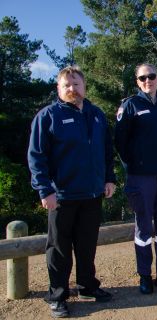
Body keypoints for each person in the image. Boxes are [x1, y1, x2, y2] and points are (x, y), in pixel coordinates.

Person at [27, 66, 116, 318]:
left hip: (92, 194)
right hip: (61, 197)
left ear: (84, 86)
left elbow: (106, 152)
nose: (72, 89)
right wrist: (45, 189)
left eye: (76, 84)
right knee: (59, 249)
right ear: (58, 88)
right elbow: (36, 157)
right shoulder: (48, 116)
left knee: (87, 246)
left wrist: (109, 179)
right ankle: (58, 295)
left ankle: (88, 286)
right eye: (66, 85)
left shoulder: (96, 115)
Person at [115, 63, 157, 295]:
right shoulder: (130, 105)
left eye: (151, 76)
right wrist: (135, 167)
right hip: (140, 178)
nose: (147, 80)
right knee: (144, 229)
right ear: (137, 81)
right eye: (142, 77)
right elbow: (120, 143)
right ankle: (145, 275)